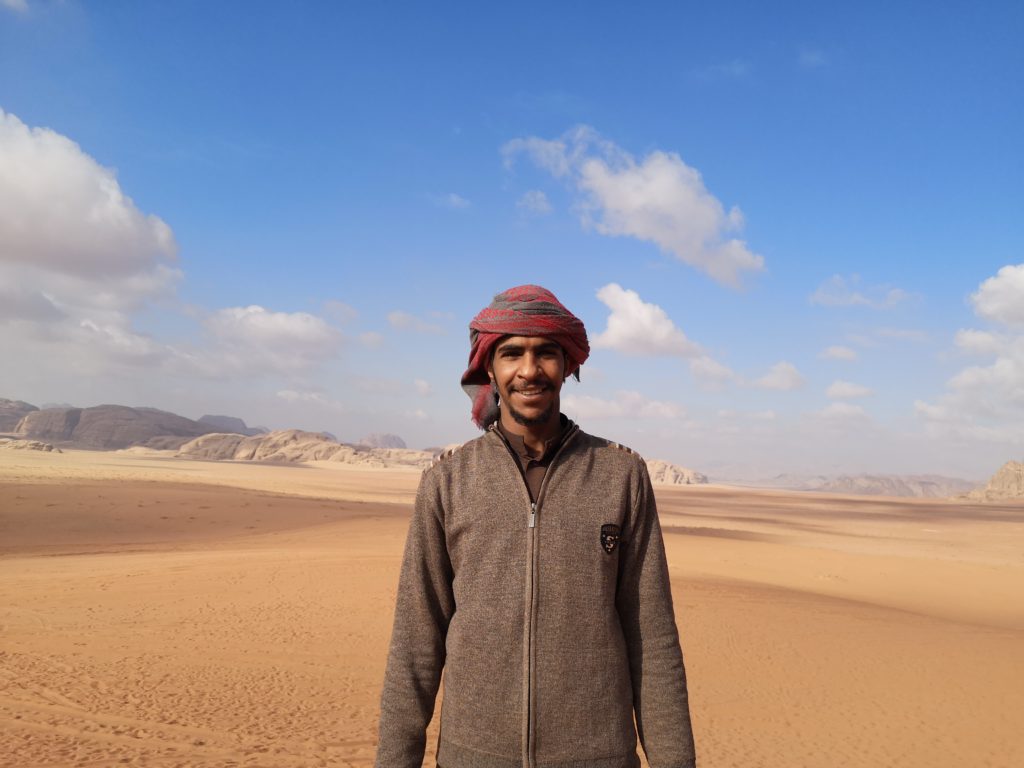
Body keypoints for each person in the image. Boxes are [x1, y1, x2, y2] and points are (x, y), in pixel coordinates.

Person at [375, 285, 696, 768]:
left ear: (567, 364)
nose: (529, 370)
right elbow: (415, 645)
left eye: (545, 352)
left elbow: (653, 639)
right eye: (511, 354)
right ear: (489, 366)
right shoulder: (447, 482)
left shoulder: (620, 475)